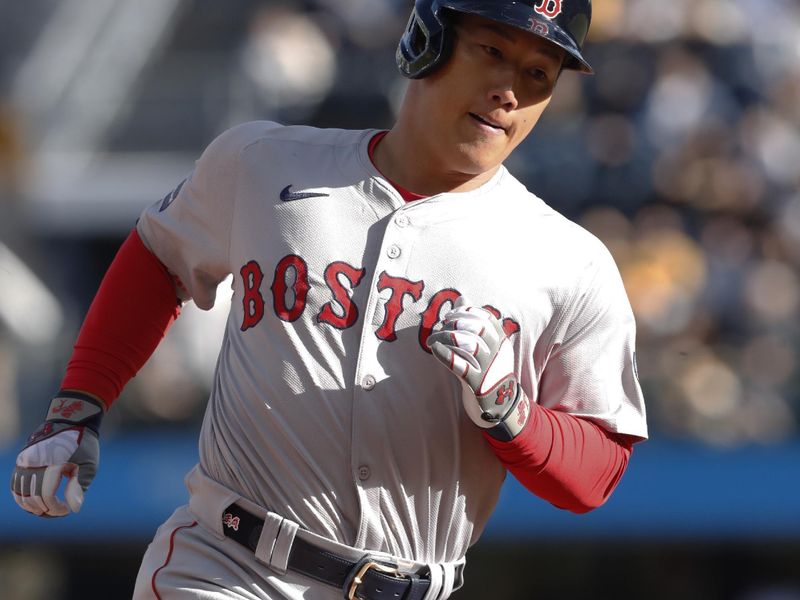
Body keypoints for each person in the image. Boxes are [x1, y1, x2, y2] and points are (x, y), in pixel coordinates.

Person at [11, 1, 648, 598]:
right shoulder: (265, 161)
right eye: (491, 50)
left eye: (538, 73)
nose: (510, 89)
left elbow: (595, 474)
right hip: (229, 564)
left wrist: (513, 413)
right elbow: (159, 255)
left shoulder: (570, 262)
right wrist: (77, 406)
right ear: (426, 41)